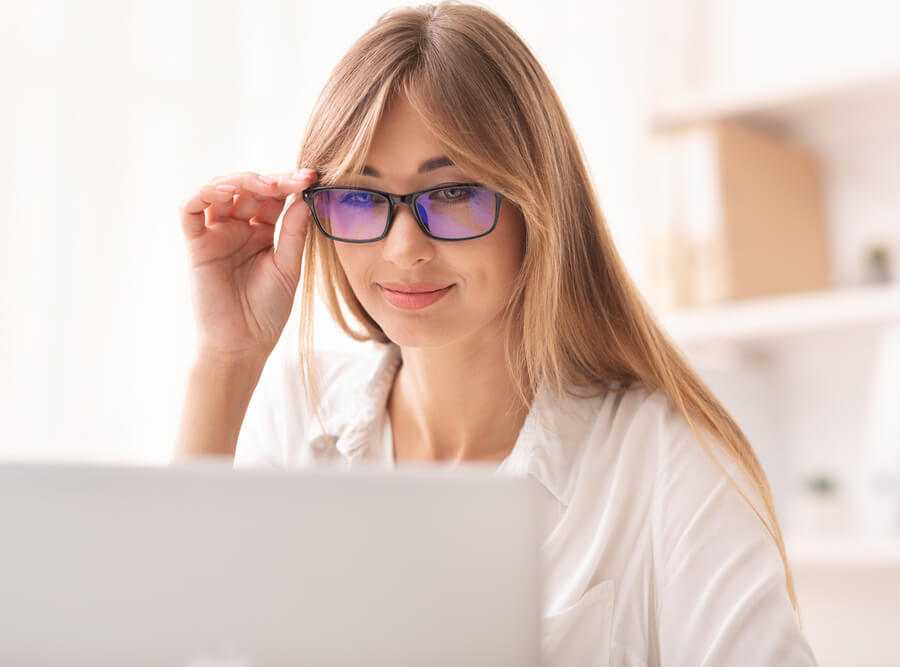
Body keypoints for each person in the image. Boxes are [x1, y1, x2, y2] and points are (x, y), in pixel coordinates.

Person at [174, 2, 818, 664]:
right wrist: (227, 360)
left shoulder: (663, 458)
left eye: (452, 192)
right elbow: (176, 643)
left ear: (534, 206)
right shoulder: (297, 412)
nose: (404, 249)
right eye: (362, 196)